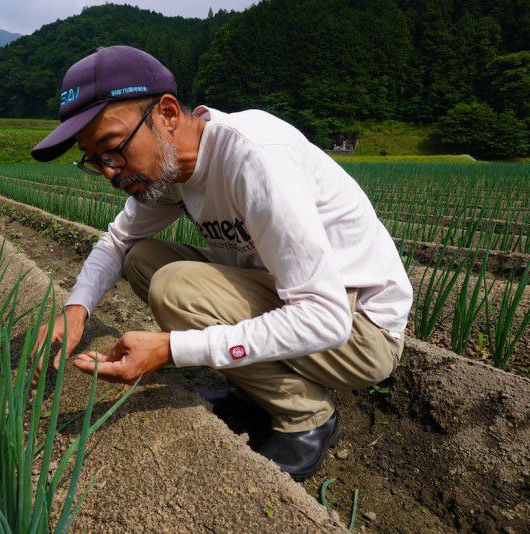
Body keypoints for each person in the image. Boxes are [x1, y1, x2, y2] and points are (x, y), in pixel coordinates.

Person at [30, 45, 413, 480]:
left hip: (360, 329)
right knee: (142, 258)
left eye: (112, 148)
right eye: (94, 160)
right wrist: (75, 310)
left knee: (175, 288)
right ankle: (254, 390)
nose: (110, 172)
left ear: (168, 114)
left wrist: (172, 350)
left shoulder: (254, 157)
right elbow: (118, 241)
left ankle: (305, 417)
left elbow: (326, 319)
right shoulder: (170, 167)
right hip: (289, 297)